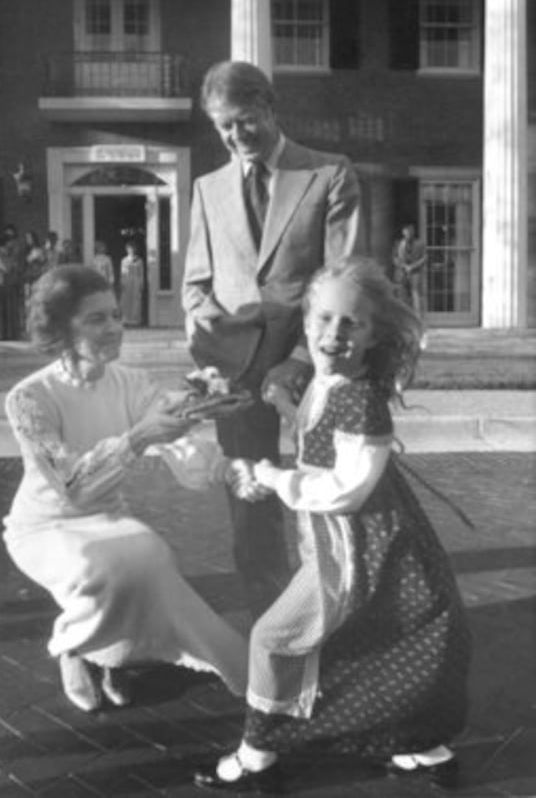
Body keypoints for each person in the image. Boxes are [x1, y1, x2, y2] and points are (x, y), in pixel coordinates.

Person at [194, 257, 470, 793]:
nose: (334, 332)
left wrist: (274, 478)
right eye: (323, 318)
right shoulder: (327, 382)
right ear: (305, 322)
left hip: (365, 549)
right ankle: (424, 747)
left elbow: (347, 490)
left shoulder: (361, 400)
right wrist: (276, 409)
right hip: (341, 541)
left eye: (352, 322)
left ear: (373, 335)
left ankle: (257, 757)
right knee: (374, 644)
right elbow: (314, 433)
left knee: (274, 638)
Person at [2, 264, 247, 713]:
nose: (115, 328)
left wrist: (223, 463)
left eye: (116, 315)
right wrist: (139, 438)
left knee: (149, 553)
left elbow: (177, 437)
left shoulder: (131, 382)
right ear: (61, 327)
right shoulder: (28, 397)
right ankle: (72, 649)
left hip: (107, 514)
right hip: (43, 524)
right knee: (102, 567)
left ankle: (110, 653)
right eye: (96, 319)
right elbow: (73, 486)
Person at [182, 60, 361, 616]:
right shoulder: (207, 189)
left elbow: (344, 282)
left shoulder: (329, 174)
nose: (236, 137)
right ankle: (272, 616)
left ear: (269, 107)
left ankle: (339, 601)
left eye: (244, 121)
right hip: (235, 371)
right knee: (249, 497)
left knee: (330, 488)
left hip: (314, 364)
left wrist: (305, 359)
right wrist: (212, 356)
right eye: (224, 128)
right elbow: (195, 286)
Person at [0, 223, 23, 340]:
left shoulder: (12, 253)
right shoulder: (0, 254)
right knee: (3, 308)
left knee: (11, 308)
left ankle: (12, 333)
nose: (11, 243)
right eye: (9, 241)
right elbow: (4, 267)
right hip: (3, 283)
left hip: (11, 282)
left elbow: (15, 265)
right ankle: (3, 333)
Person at [392, 223, 427, 319]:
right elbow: (394, 258)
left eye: (410, 231)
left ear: (413, 232)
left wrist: (413, 266)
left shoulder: (420, 244)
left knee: (416, 295)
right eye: (406, 231)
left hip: (415, 273)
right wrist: (404, 266)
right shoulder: (398, 243)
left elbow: (424, 258)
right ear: (403, 232)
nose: (408, 233)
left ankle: (418, 318)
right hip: (402, 273)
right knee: (401, 295)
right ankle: (403, 318)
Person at [119, 239, 145, 326]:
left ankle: (135, 319)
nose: (131, 250)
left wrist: (141, 282)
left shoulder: (139, 260)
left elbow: (141, 272)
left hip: (136, 280)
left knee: (136, 299)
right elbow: (122, 272)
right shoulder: (124, 260)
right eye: (129, 248)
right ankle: (126, 318)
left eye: (132, 248)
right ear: (127, 249)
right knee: (126, 300)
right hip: (127, 280)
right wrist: (122, 282)